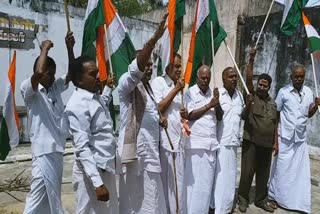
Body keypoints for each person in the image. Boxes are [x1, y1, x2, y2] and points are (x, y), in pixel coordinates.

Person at [117, 14, 167, 214]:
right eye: (145, 64)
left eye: (151, 66)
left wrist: (159, 119)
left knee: (151, 201)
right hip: (134, 156)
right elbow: (135, 71)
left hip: (150, 156)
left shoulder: (150, 89)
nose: (149, 68)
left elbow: (150, 114)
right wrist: (154, 39)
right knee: (132, 203)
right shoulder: (126, 86)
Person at [21, 32, 74, 214]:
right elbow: (39, 72)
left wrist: (69, 48)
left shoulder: (55, 89)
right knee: (36, 198)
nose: (51, 77)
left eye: (53, 74)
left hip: (57, 152)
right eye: (49, 74)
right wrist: (44, 48)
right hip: (43, 153)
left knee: (51, 197)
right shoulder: (30, 92)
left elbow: (72, 75)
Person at [65, 56, 119, 213]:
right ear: (79, 80)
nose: (97, 77)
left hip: (105, 167)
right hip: (91, 174)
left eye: (97, 73)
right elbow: (82, 147)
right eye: (92, 73)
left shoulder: (94, 97)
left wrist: (108, 88)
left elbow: (102, 102)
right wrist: (97, 183)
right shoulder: (76, 105)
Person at [268, 63, 320, 213]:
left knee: (298, 172)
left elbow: (308, 114)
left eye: (301, 77)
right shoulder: (283, 92)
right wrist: (275, 141)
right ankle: (275, 196)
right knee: (281, 170)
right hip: (285, 137)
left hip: (300, 139)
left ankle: (294, 199)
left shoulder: (309, 92)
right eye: (296, 76)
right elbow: (276, 115)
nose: (299, 79)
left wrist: (315, 106)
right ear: (291, 77)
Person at [237, 48, 277, 213]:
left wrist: (276, 143)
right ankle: (243, 200)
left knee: (263, 175)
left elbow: (276, 124)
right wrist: (251, 59)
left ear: (269, 87)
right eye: (259, 84)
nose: (261, 87)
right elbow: (248, 78)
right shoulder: (252, 96)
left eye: (265, 85)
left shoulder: (273, 103)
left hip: (267, 146)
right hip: (251, 142)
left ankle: (261, 200)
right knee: (246, 174)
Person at [182, 65, 223, 213]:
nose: (206, 80)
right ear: (197, 77)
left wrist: (216, 103)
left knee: (205, 186)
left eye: (208, 78)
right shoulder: (190, 93)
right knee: (194, 185)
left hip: (210, 145)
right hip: (196, 146)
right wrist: (209, 105)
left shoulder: (213, 93)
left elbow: (219, 117)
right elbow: (189, 115)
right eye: (203, 78)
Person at [151, 53, 185, 214]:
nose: (179, 69)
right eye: (176, 66)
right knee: (167, 184)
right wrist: (176, 89)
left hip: (179, 141)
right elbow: (158, 108)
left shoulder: (181, 85)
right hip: (165, 141)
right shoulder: (159, 82)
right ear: (167, 67)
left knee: (179, 182)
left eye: (180, 66)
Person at [210, 67, 244, 214]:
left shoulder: (240, 96)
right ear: (224, 79)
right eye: (231, 77)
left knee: (231, 177)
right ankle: (217, 207)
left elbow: (242, 116)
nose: (234, 79)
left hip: (234, 141)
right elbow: (218, 117)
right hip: (221, 142)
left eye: (235, 76)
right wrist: (216, 102)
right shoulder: (219, 95)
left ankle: (227, 206)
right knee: (220, 176)